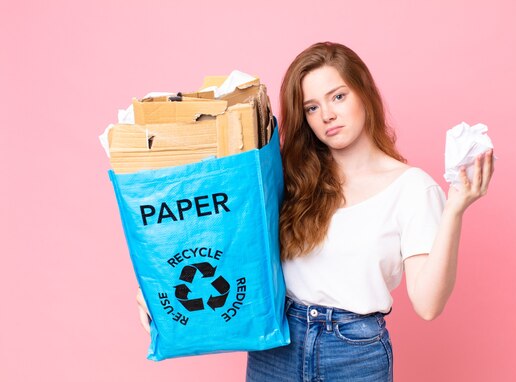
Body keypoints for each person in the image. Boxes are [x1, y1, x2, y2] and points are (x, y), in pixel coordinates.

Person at [137, 42, 494, 381]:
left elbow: (428, 305)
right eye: (311, 107)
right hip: (278, 345)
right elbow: (219, 233)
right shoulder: (289, 174)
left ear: (364, 93)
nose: (327, 115)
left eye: (338, 96)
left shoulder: (414, 188)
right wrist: (159, 289)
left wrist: (455, 211)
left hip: (354, 353)